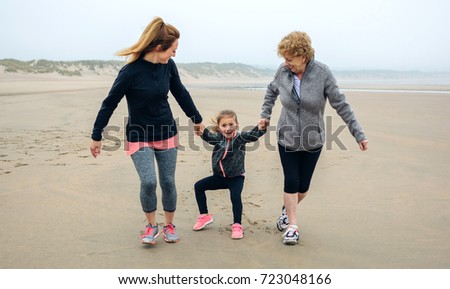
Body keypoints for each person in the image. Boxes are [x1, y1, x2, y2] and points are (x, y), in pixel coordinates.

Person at [89, 17, 204, 245]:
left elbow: (180, 93)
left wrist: (196, 119)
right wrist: (96, 135)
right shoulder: (130, 72)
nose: (174, 55)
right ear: (159, 48)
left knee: (168, 182)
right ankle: (151, 226)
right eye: (173, 50)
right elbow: (109, 102)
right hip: (138, 135)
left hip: (166, 132)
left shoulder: (168, 67)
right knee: (149, 181)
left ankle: (169, 225)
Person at [259, 31, 369, 245]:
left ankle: (286, 210)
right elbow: (271, 91)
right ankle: (292, 226)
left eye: (290, 59)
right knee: (291, 180)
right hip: (287, 137)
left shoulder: (322, 73)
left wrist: (358, 132)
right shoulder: (283, 72)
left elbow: (341, 105)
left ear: (303, 55)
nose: (286, 63)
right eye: (284, 59)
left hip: (312, 139)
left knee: (303, 187)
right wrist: (265, 114)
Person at [192, 110, 266, 239]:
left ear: (237, 124)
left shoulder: (240, 137)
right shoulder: (217, 138)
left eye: (231, 124)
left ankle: (237, 225)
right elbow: (208, 136)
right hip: (219, 177)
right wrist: (201, 131)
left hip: (236, 178)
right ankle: (204, 216)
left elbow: (253, 135)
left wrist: (261, 128)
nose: (228, 128)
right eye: (224, 125)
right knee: (199, 186)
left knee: (235, 196)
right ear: (219, 127)